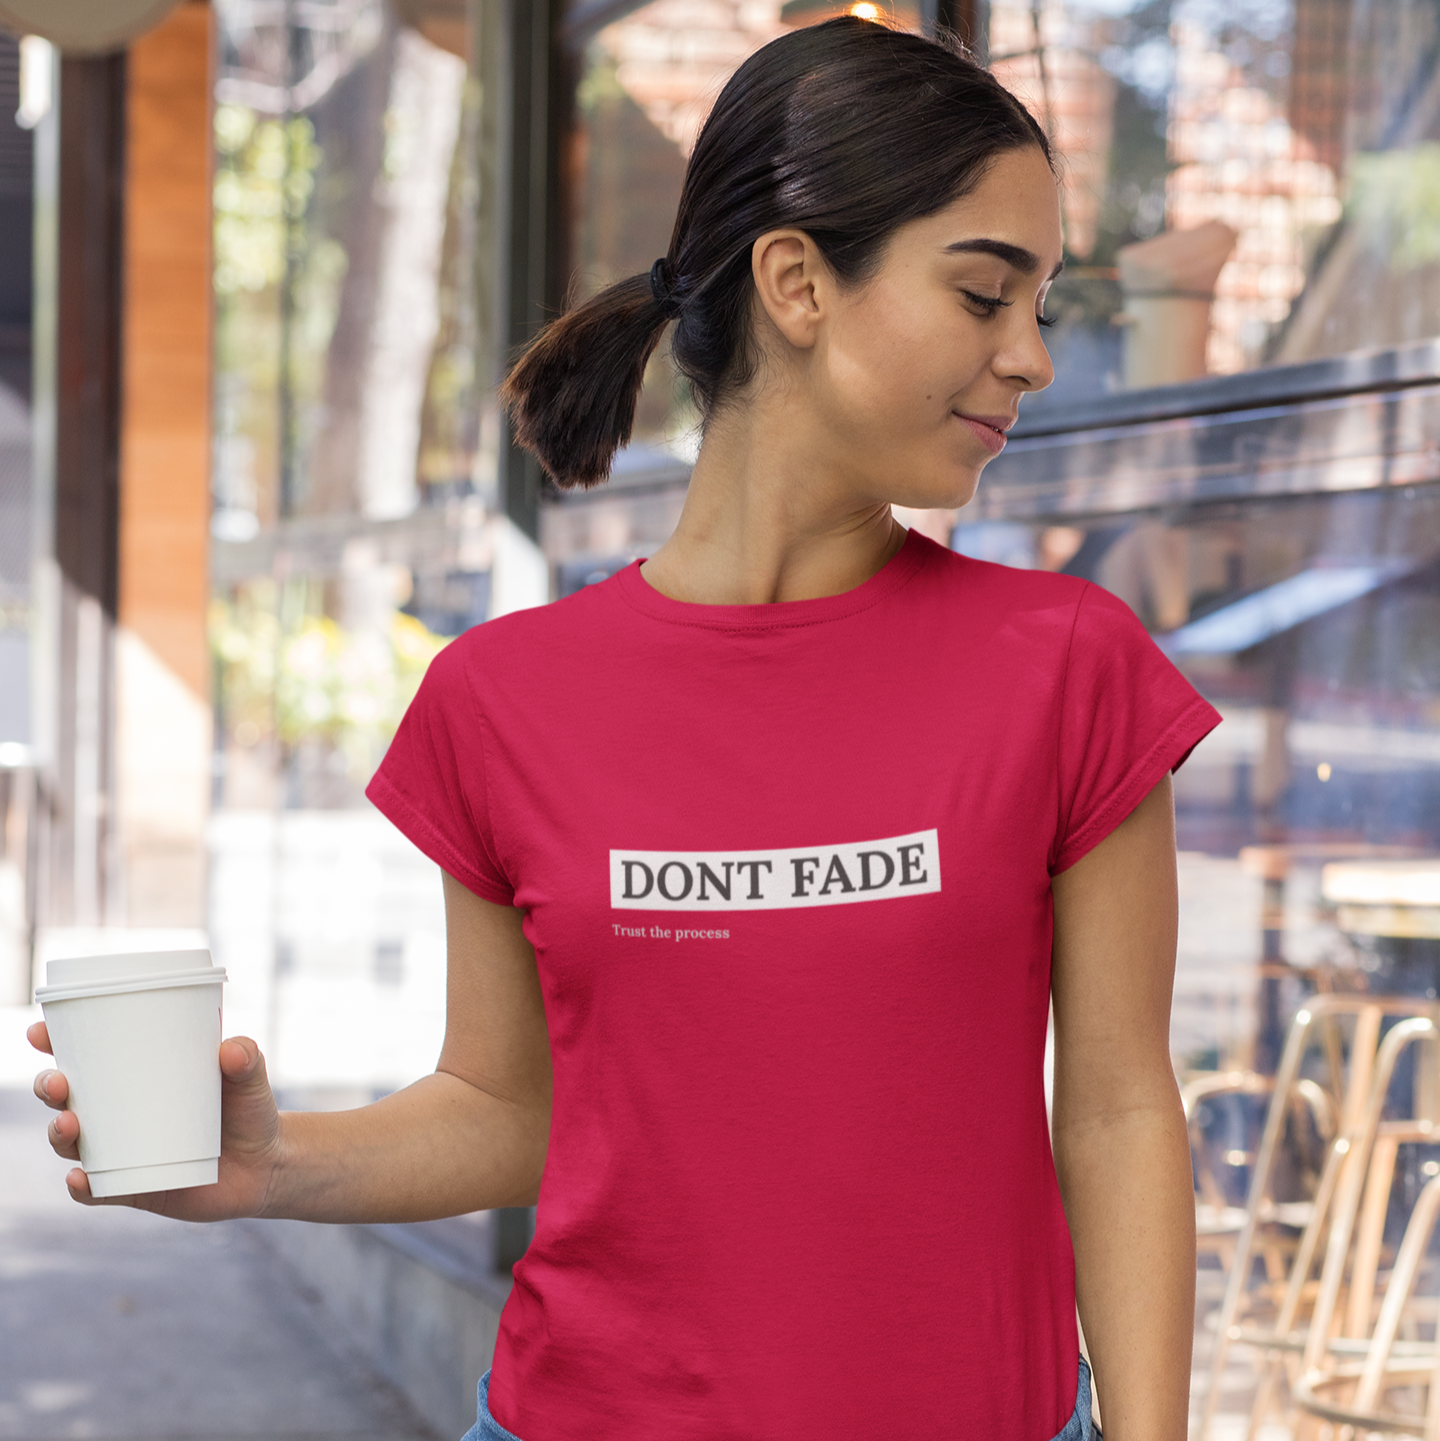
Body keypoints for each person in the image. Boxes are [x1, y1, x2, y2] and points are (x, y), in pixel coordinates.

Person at [31, 18, 1219, 1440]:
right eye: (983, 293)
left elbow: (1117, 1112)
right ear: (796, 283)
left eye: (1043, 304)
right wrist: (272, 1167)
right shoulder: (504, 700)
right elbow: (509, 1105)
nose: (1028, 356)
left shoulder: (1067, 668)